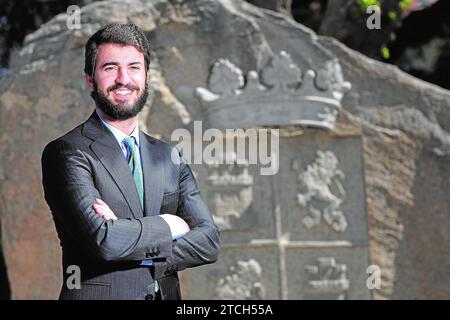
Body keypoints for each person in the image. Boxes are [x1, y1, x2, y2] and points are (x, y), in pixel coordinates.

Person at [41, 23, 220, 300]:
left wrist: (130, 239)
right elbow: (105, 240)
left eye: (134, 67)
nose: (123, 78)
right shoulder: (66, 152)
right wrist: (169, 226)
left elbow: (208, 242)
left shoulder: (169, 156)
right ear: (90, 79)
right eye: (110, 67)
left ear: (147, 76)